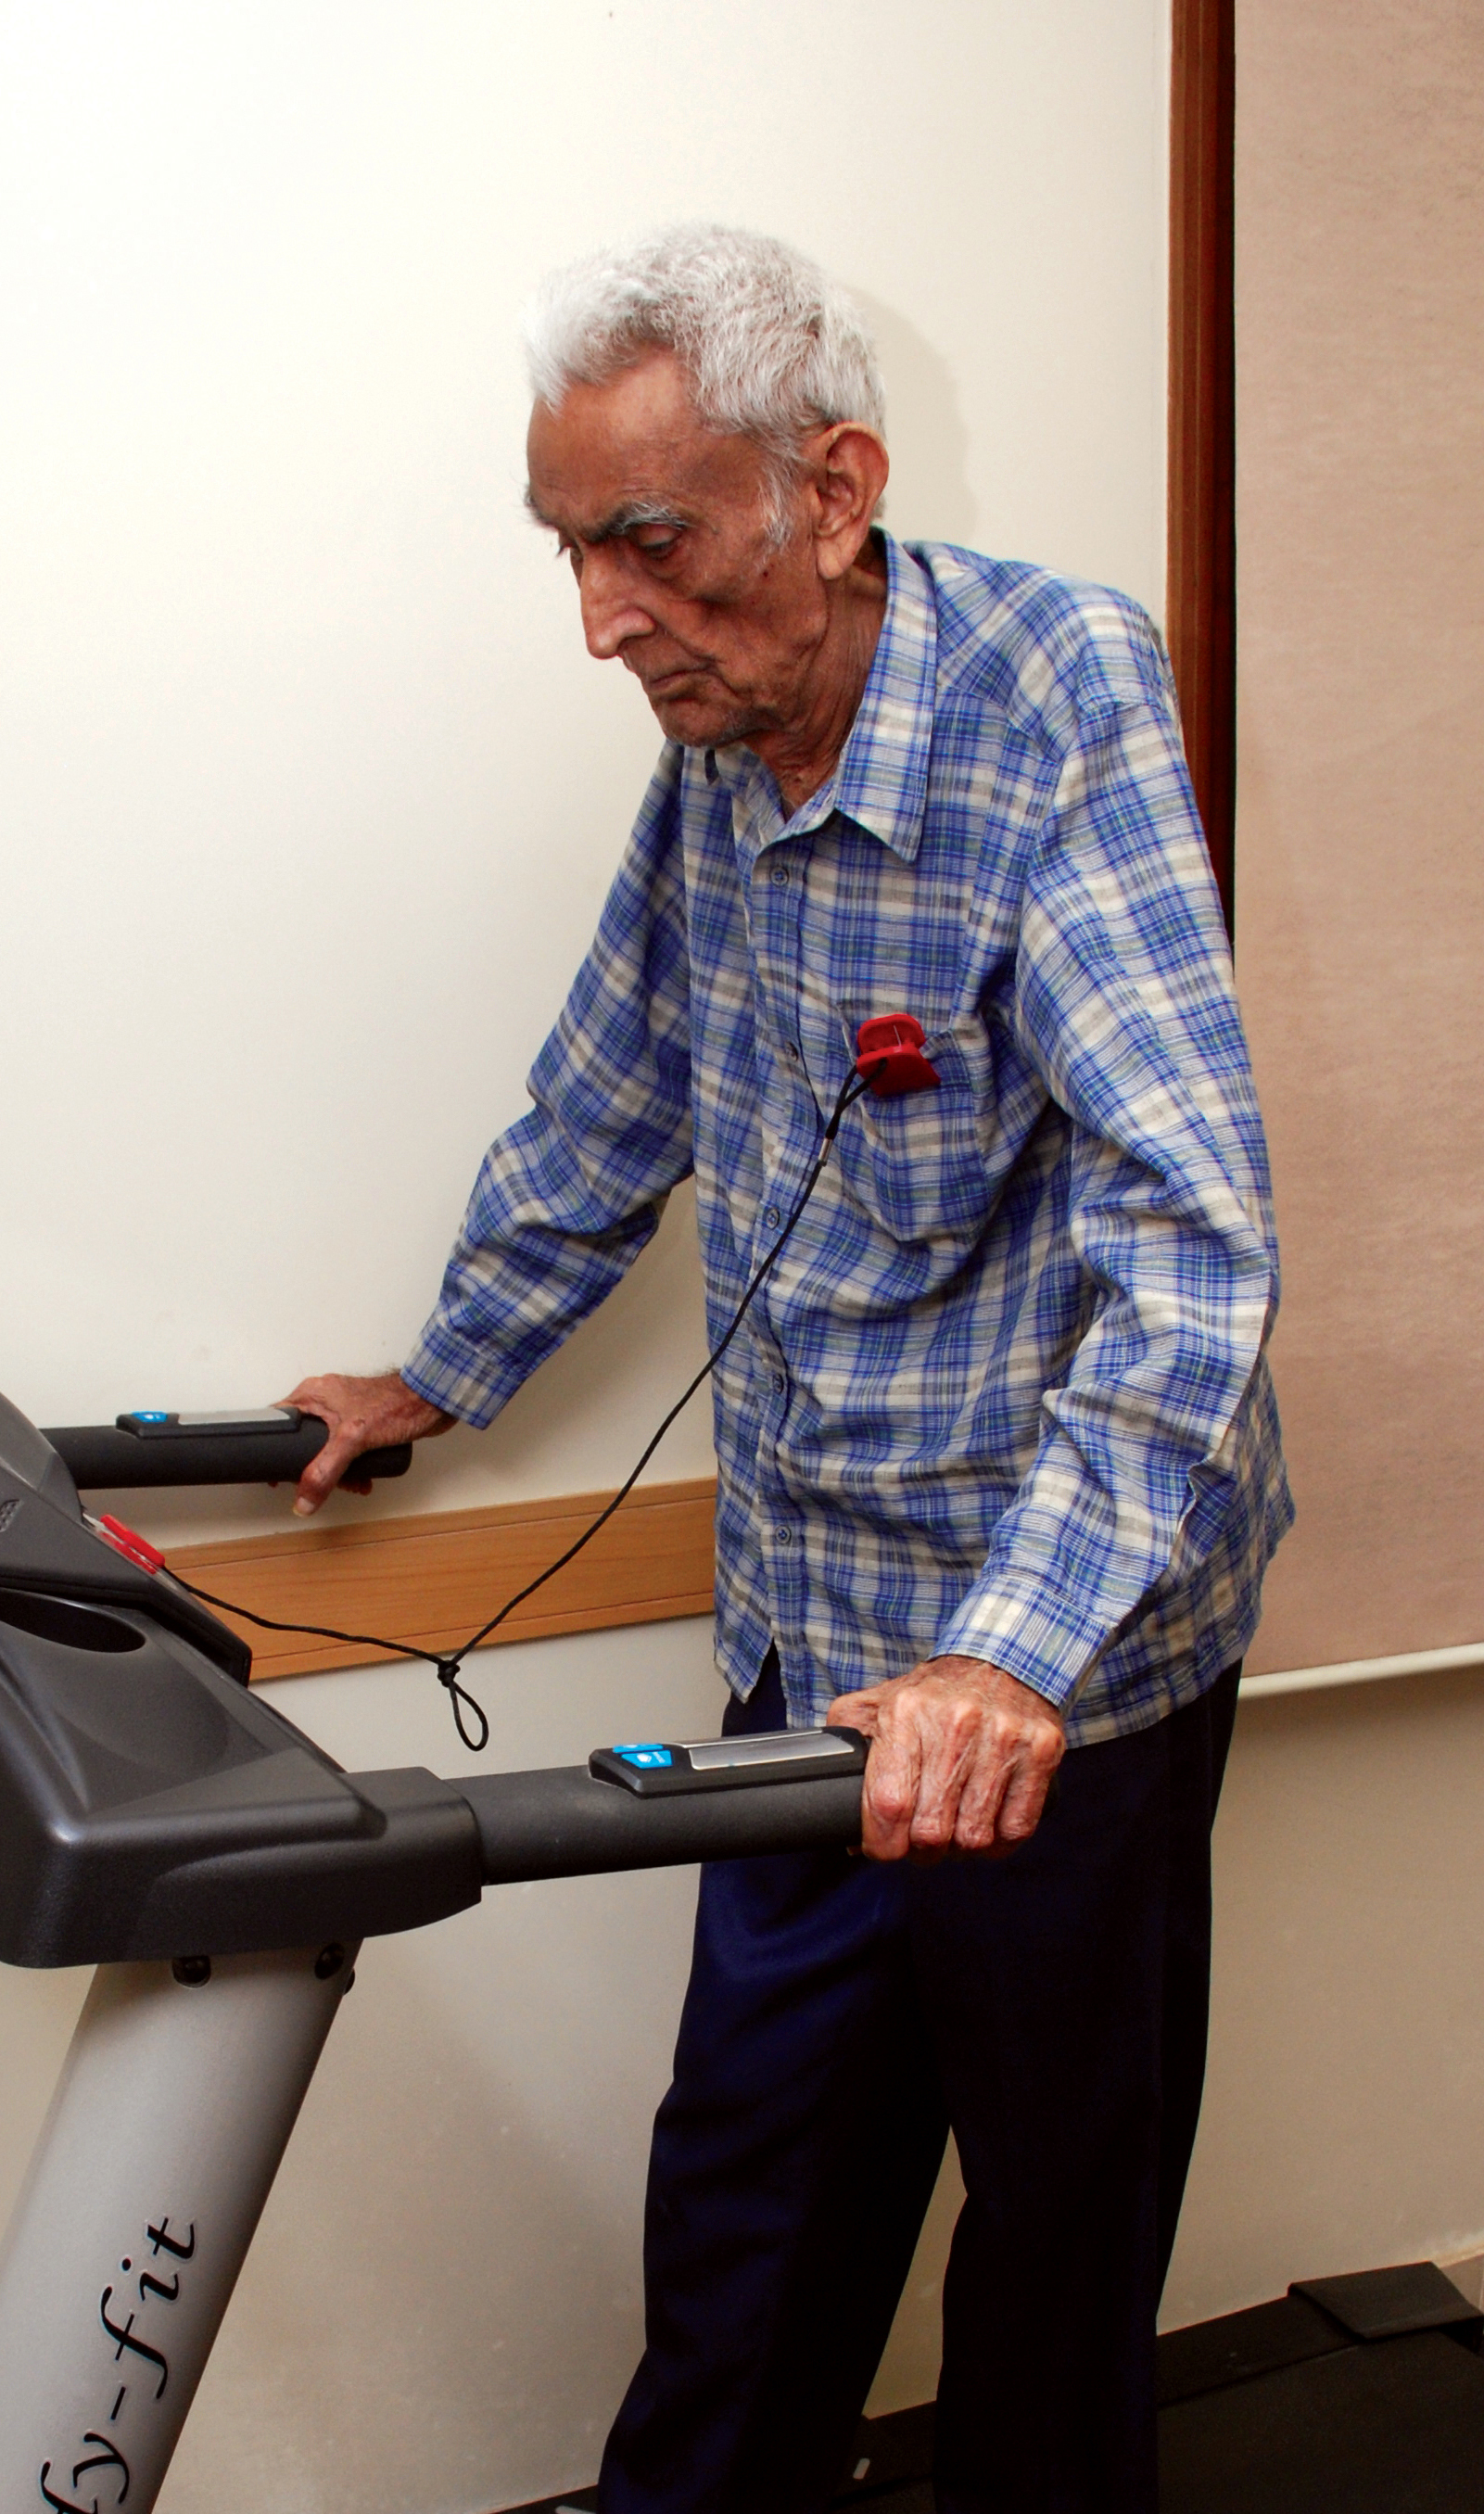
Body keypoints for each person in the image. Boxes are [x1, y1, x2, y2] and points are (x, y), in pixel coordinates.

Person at [285, 226, 1292, 2514]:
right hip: (814, 1642)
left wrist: (1012, 1664)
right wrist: (438, 1371)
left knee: (1051, 2250)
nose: (603, 621)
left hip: (1063, 1679)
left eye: (646, 541)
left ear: (830, 489)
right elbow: (615, 1090)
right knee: (749, 2224)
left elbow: (1191, 1241)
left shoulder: (1052, 699)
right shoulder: (722, 743)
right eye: (571, 555)